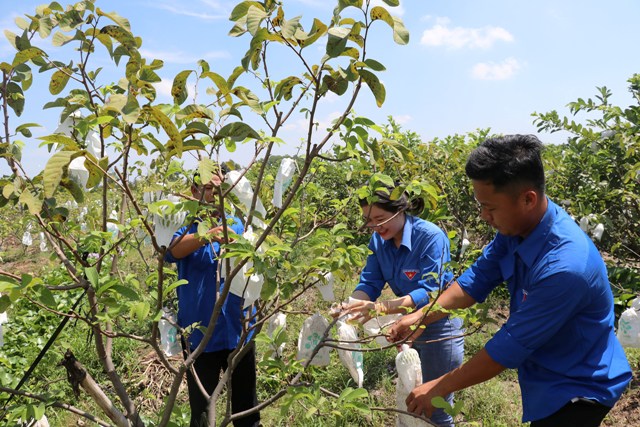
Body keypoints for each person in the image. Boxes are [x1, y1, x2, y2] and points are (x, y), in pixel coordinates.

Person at [388, 134, 632, 426]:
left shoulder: (566, 267)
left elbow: (508, 346)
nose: (483, 216)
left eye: (490, 207)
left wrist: (438, 387)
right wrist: (420, 318)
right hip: (549, 369)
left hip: (579, 383)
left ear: (528, 198)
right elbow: (475, 280)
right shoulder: (516, 228)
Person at [337, 183, 464, 427]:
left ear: (401, 209)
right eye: (368, 220)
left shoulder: (430, 237)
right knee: (413, 398)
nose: (374, 226)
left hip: (438, 325)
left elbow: (431, 292)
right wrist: (351, 305)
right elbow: (370, 281)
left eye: (380, 218)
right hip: (407, 326)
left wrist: (381, 309)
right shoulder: (378, 240)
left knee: (435, 405)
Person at [164, 168, 260, 427]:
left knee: (246, 409)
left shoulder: (236, 223)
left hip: (238, 330)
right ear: (194, 192)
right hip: (200, 336)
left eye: (220, 189)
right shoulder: (184, 227)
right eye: (208, 188)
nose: (215, 195)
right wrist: (207, 235)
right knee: (202, 413)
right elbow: (171, 251)